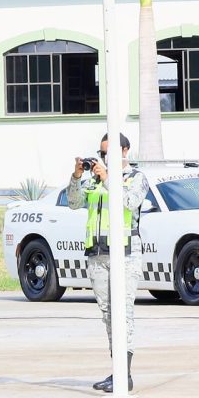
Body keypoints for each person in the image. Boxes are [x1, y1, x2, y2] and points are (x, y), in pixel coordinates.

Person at [67, 132, 148, 393]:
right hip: (98, 255)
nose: (103, 158)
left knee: (123, 312)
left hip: (125, 254)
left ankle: (125, 374)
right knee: (108, 314)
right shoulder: (93, 179)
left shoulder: (135, 178)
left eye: (109, 153)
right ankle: (118, 372)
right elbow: (73, 203)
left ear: (125, 151)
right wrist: (77, 176)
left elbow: (129, 202)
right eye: (101, 153)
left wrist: (108, 179)